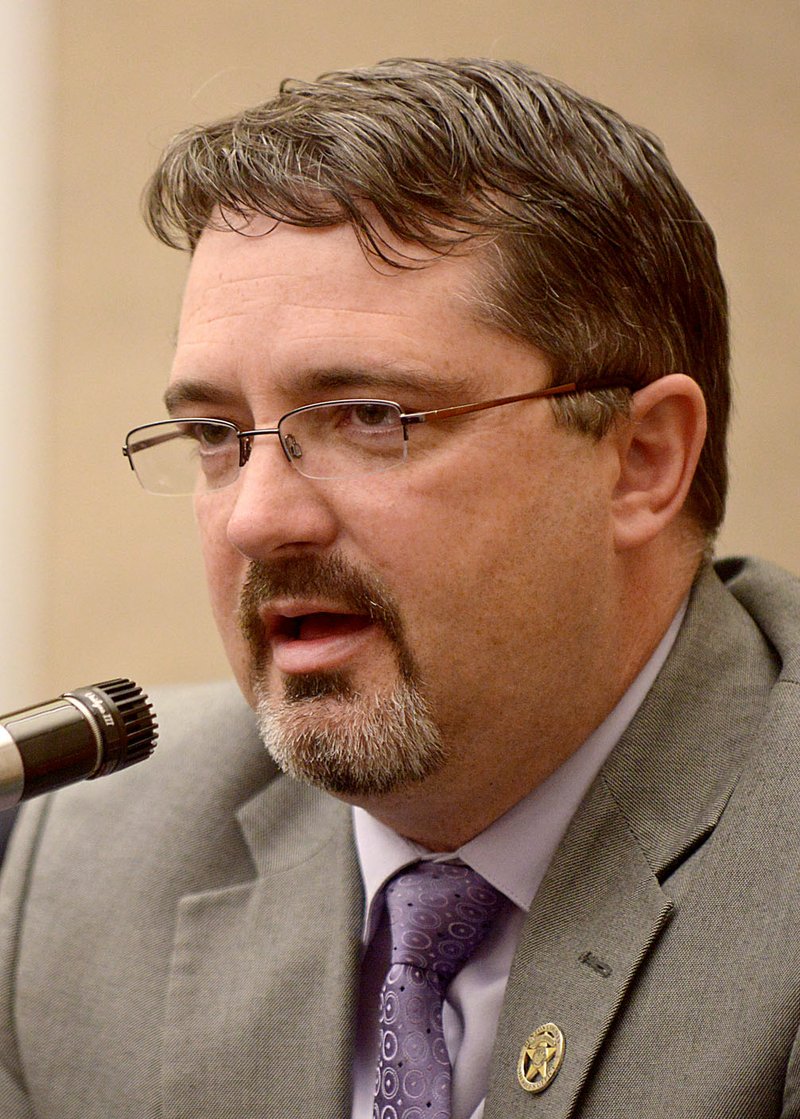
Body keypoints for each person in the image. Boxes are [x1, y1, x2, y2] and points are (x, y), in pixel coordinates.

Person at [0, 57, 798, 1119]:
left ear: (640, 458)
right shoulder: (85, 859)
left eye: (373, 416)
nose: (256, 516)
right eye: (212, 436)